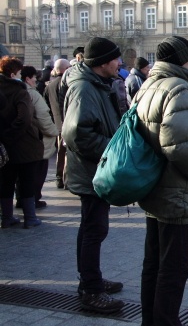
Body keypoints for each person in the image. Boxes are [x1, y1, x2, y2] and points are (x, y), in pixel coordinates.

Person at [133, 35, 188, 326]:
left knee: (154, 262)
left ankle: (151, 320)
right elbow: (178, 144)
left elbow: (169, 125)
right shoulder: (178, 87)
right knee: (174, 267)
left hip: (153, 183)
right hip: (175, 189)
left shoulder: (150, 84)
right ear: (183, 60)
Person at [61, 37, 125, 313]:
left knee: (91, 228)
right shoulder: (84, 88)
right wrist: (111, 151)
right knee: (93, 229)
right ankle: (90, 289)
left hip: (95, 169)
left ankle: (91, 278)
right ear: (102, 63)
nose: (120, 63)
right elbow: (76, 133)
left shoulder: (96, 84)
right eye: (116, 59)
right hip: (91, 171)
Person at [0, 56, 45, 229]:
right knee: (27, 180)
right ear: (13, 74)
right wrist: (10, 136)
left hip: (4, 146)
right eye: (19, 73)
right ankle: (30, 217)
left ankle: (6, 217)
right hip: (24, 144)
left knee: (6, 181)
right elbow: (24, 118)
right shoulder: (19, 90)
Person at [20, 66, 59, 209]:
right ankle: (33, 199)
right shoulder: (32, 94)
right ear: (28, 79)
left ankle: (22, 199)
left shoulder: (15, 91)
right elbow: (43, 117)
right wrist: (55, 131)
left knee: (21, 174)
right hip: (36, 139)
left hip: (20, 139)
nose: (36, 81)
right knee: (37, 171)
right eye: (34, 78)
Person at [43, 58, 71, 189]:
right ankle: (66, 179)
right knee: (67, 152)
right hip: (67, 123)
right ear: (65, 69)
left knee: (60, 152)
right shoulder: (67, 84)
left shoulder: (49, 85)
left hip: (57, 124)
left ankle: (59, 177)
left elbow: (46, 105)